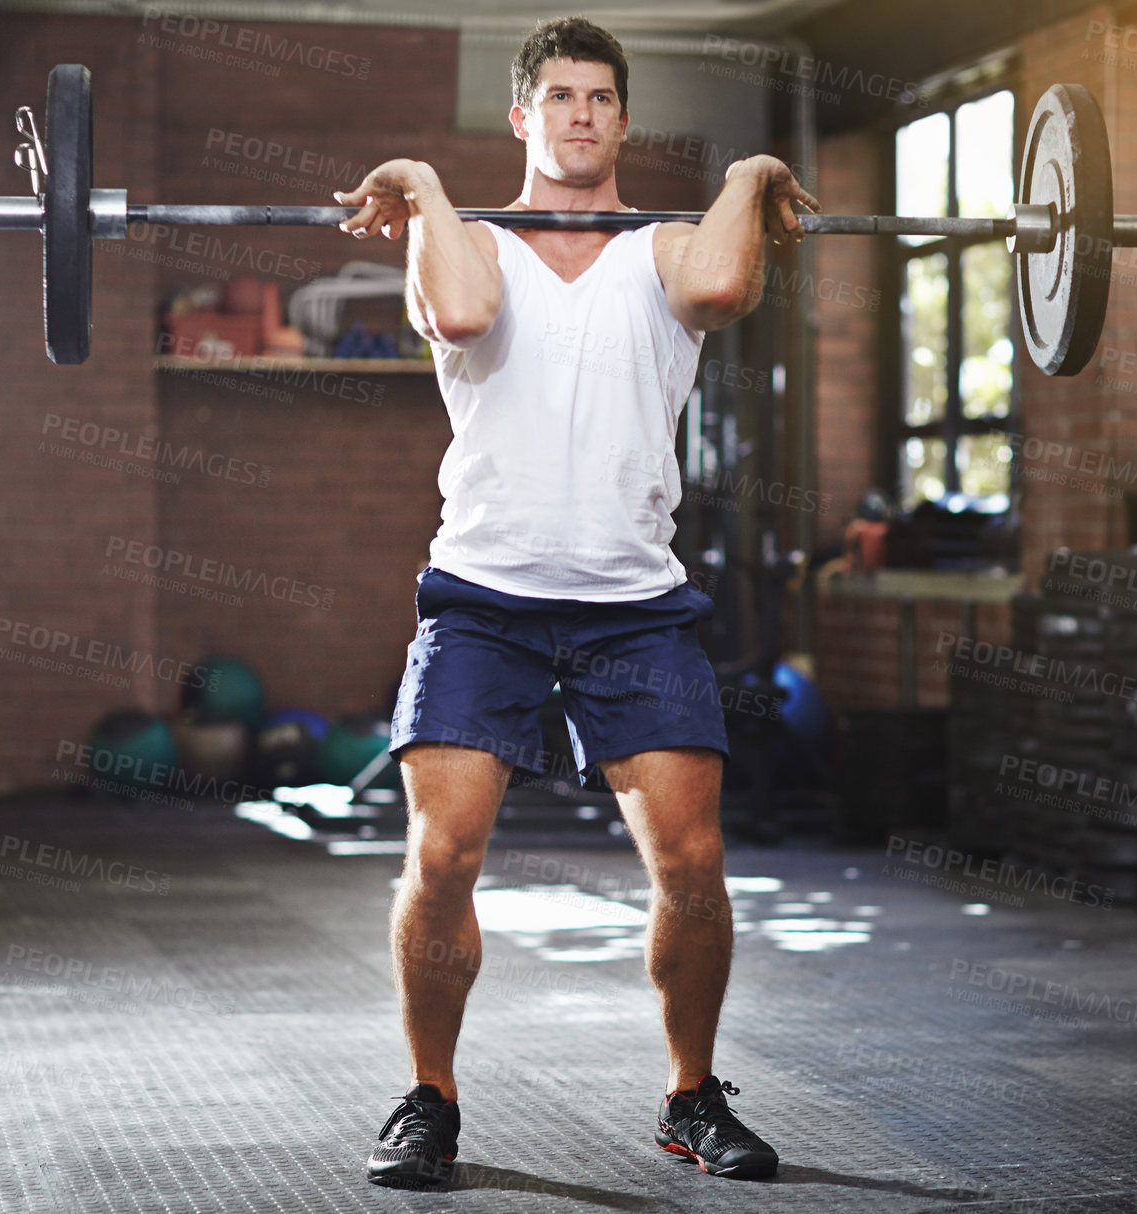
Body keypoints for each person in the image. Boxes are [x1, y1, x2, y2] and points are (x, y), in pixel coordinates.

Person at [332, 15, 817, 1189]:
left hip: (633, 607)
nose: (582, 114)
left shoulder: (663, 247)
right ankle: (430, 1099)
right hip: (482, 598)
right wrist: (430, 187)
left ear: (623, 119)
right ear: (523, 115)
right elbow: (457, 318)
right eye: (559, 95)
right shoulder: (466, 248)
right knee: (443, 853)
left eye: (601, 97)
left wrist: (749, 174)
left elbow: (721, 280)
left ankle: (691, 1096)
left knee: (692, 863)